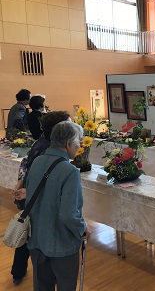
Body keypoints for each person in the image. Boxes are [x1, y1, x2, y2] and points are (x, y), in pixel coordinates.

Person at [25, 121, 90, 291]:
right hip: (62, 243)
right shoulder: (70, 171)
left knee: (42, 286)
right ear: (69, 143)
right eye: (79, 141)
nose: (80, 146)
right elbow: (69, 214)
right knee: (66, 285)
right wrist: (82, 228)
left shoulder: (37, 162)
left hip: (37, 238)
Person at [11, 111, 71, 285]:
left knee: (27, 229)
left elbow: (25, 161)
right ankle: (41, 272)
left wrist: (20, 181)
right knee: (32, 231)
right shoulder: (50, 148)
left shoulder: (40, 142)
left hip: (30, 193)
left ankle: (18, 271)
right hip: (36, 195)